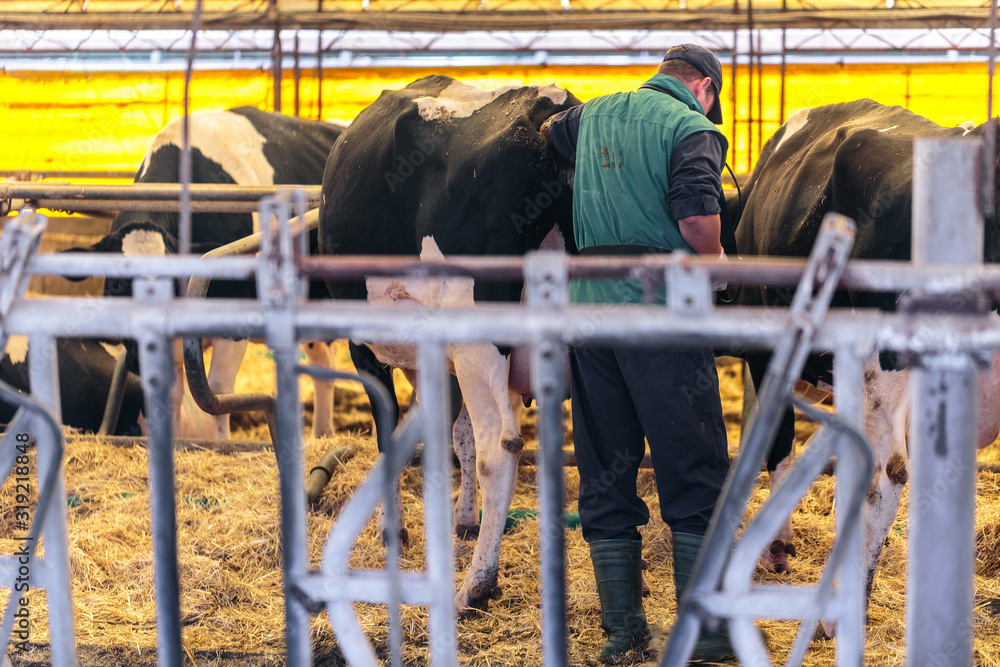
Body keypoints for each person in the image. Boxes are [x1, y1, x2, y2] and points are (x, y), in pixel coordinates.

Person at [543, 44, 734, 665]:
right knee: (693, 465)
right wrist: (721, 270)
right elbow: (697, 221)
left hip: (591, 319)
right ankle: (702, 635)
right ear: (704, 86)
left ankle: (623, 636)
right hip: (663, 321)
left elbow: (550, 130)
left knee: (604, 468)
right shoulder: (692, 128)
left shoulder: (591, 115)